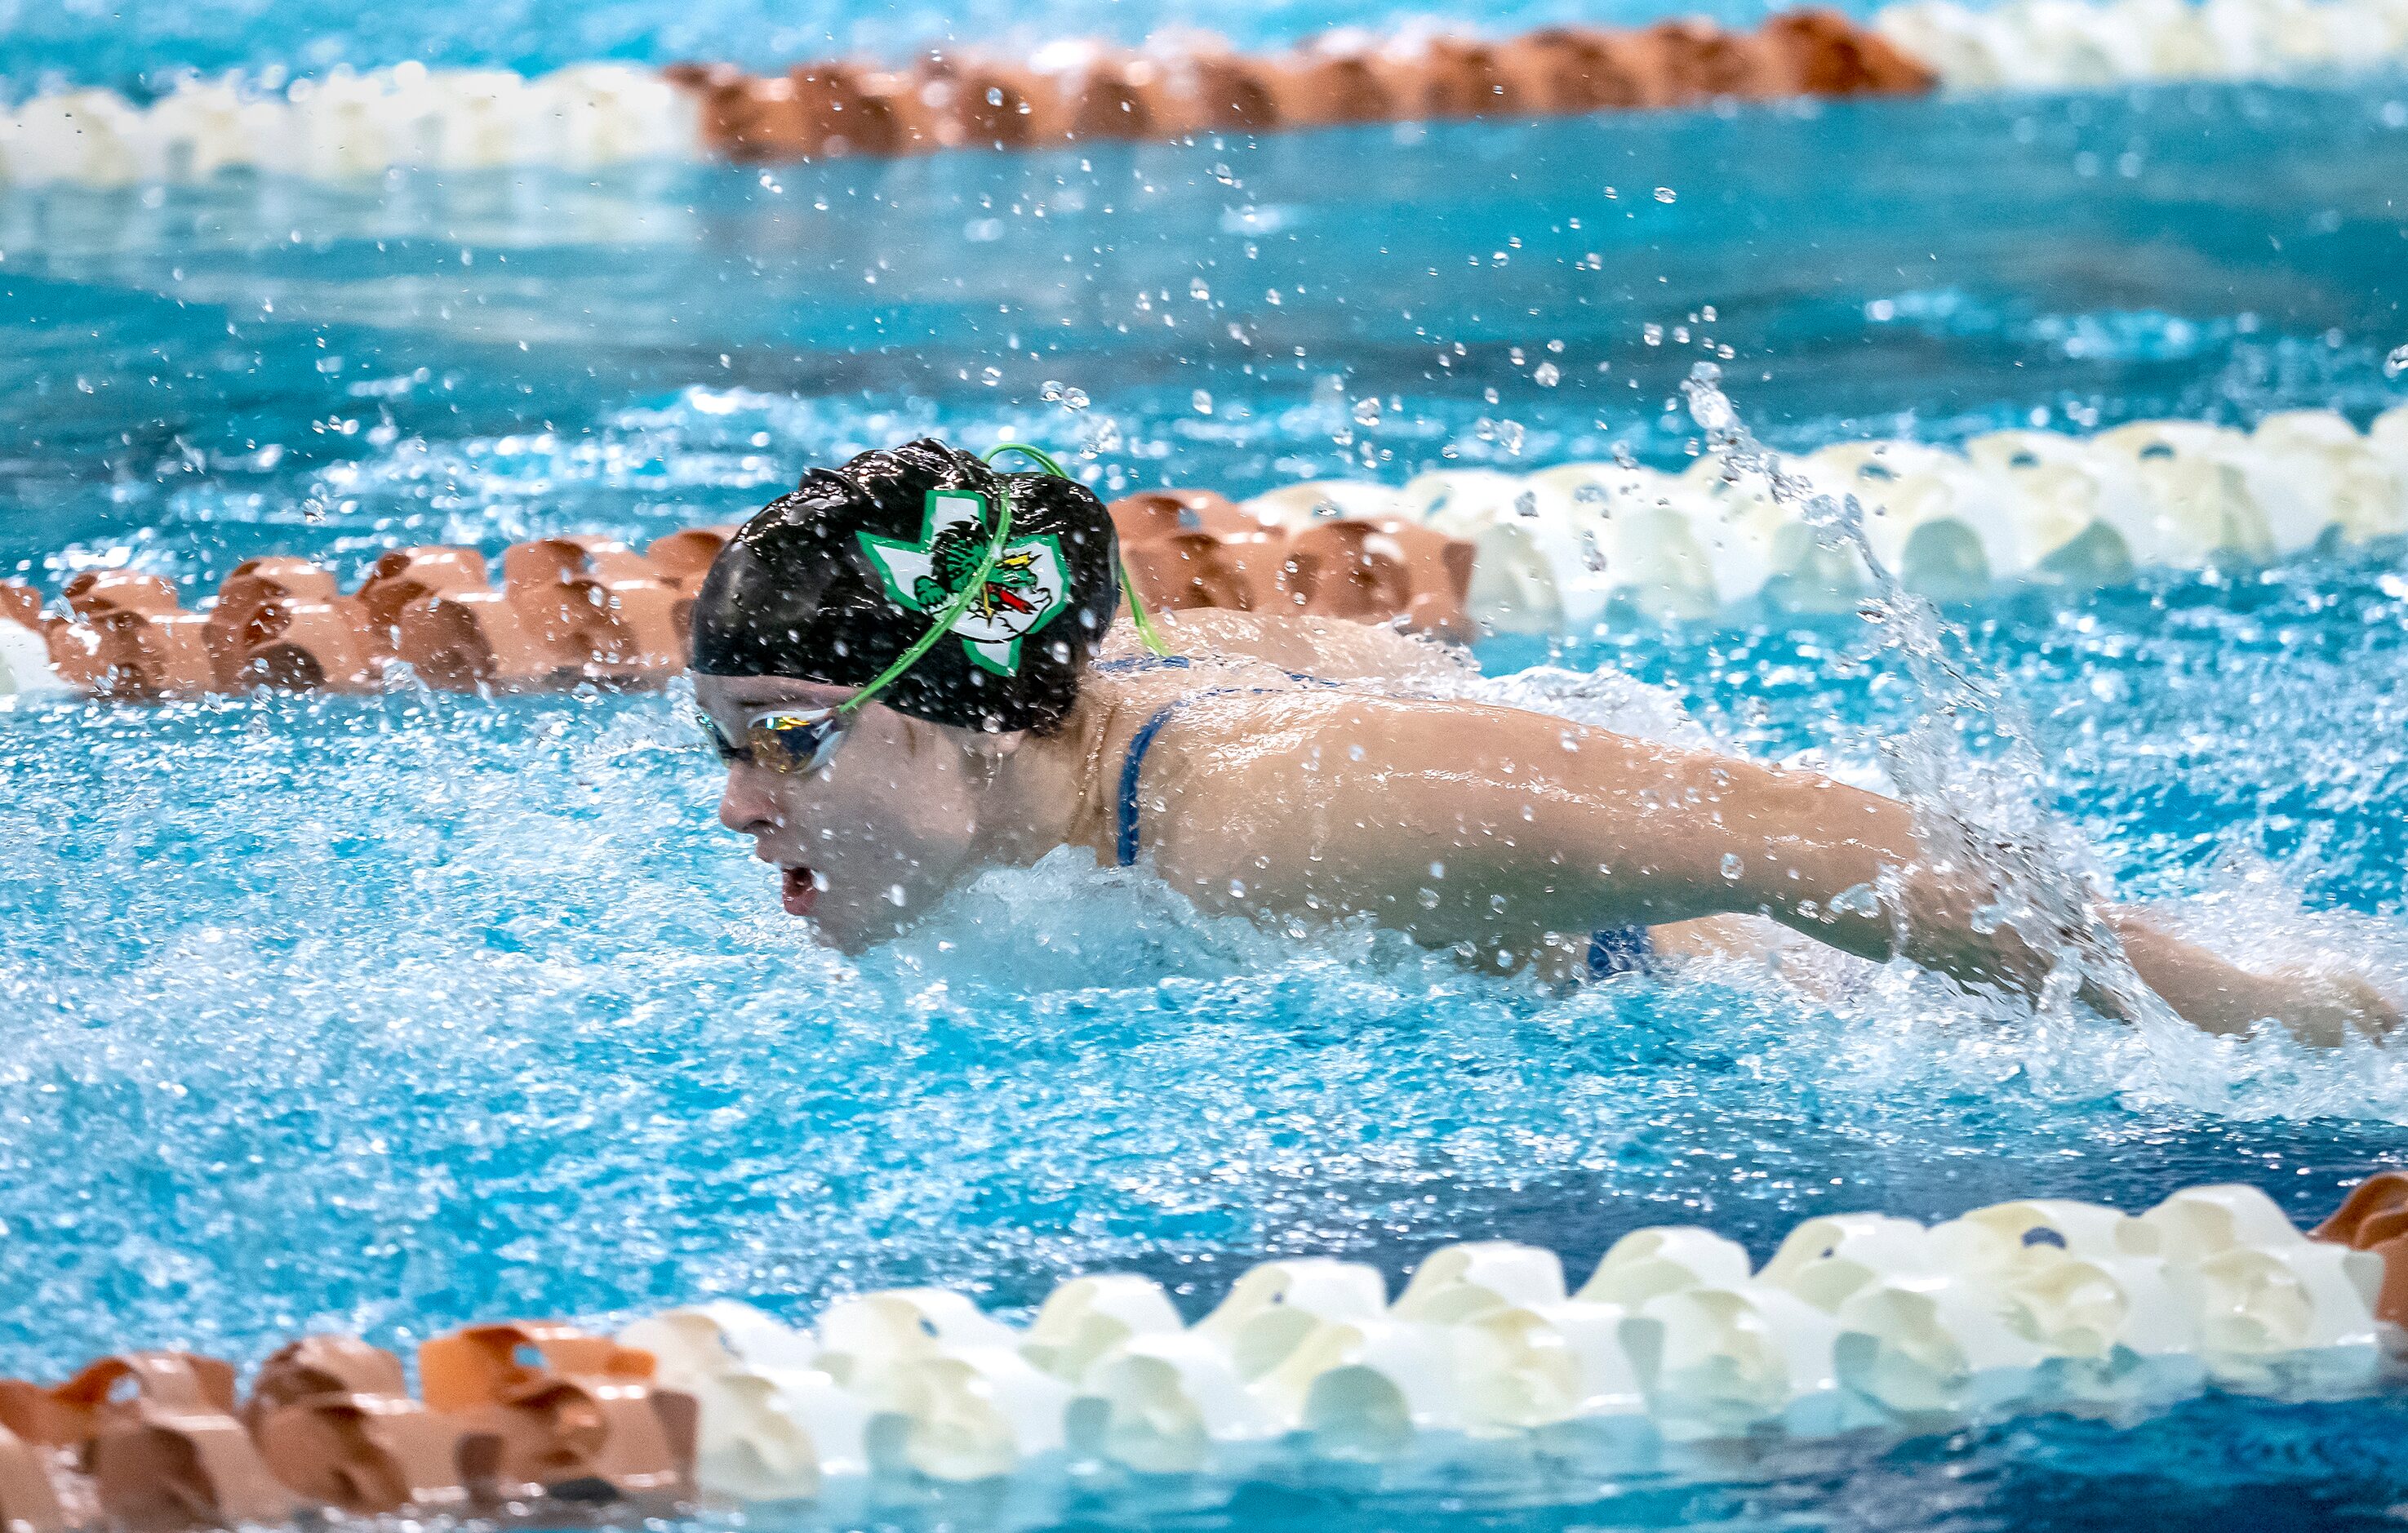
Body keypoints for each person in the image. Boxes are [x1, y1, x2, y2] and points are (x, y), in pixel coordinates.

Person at [689, 438, 2397, 1046]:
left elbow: (1821, 844)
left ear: (974, 731)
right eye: (714, 745)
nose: (733, 805)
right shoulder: (1083, 735)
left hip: (1760, 1006)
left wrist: (2254, 1020)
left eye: (783, 744)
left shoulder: (1281, 820)